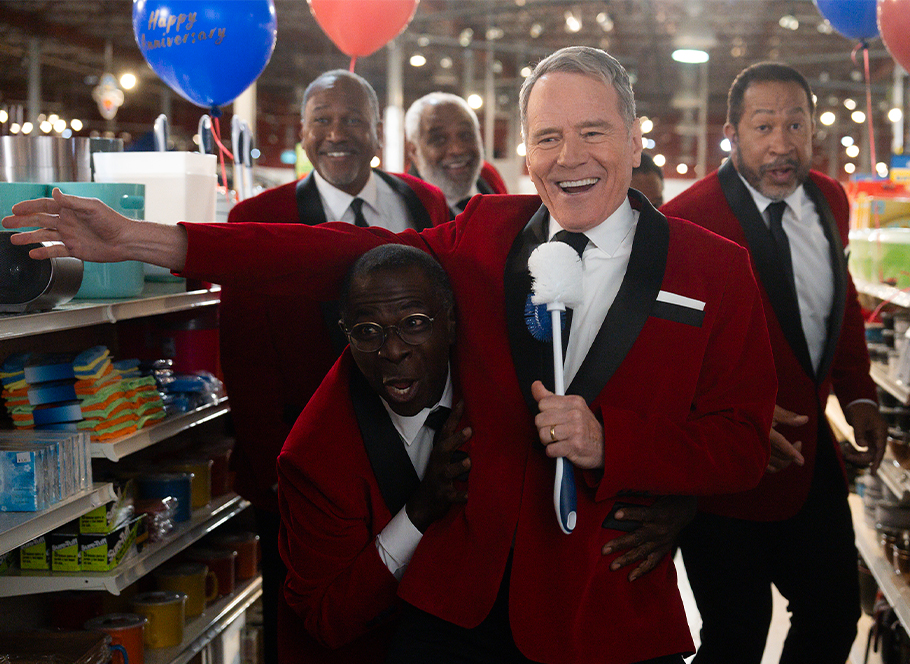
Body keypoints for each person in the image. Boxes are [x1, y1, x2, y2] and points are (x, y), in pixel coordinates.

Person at [6, 46, 776, 664]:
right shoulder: (484, 231)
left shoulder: (715, 270)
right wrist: (149, 240)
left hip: (605, 616)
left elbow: (742, 446)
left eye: (593, 132)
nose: (569, 157)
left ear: (636, 134)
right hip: (456, 610)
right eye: (548, 136)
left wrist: (617, 444)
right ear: (525, 148)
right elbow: (335, 255)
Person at [217, 69, 450, 664]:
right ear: (302, 132)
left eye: (352, 120)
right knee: (310, 628)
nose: (336, 134)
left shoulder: (421, 202)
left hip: (420, 454)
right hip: (310, 471)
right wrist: (275, 470)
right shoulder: (257, 219)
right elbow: (245, 358)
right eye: (322, 120)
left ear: (379, 133)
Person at [661, 62, 886, 664]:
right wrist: (730, 422)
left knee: (835, 619)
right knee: (737, 634)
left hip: (814, 466)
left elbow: (836, 305)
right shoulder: (686, 220)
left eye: (795, 124)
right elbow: (663, 357)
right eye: (764, 127)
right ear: (732, 133)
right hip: (727, 473)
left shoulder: (832, 201)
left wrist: (859, 393)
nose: (782, 144)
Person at [277, 244, 470, 661]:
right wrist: (419, 512)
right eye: (368, 331)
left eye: (414, 323)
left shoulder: (498, 385)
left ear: (451, 323)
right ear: (345, 332)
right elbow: (325, 617)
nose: (392, 350)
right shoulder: (314, 459)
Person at [404, 92, 509, 218]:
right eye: (439, 139)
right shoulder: (403, 207)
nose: (457, 149)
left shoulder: (487, 175)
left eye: (466, 135)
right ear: (414, 150)